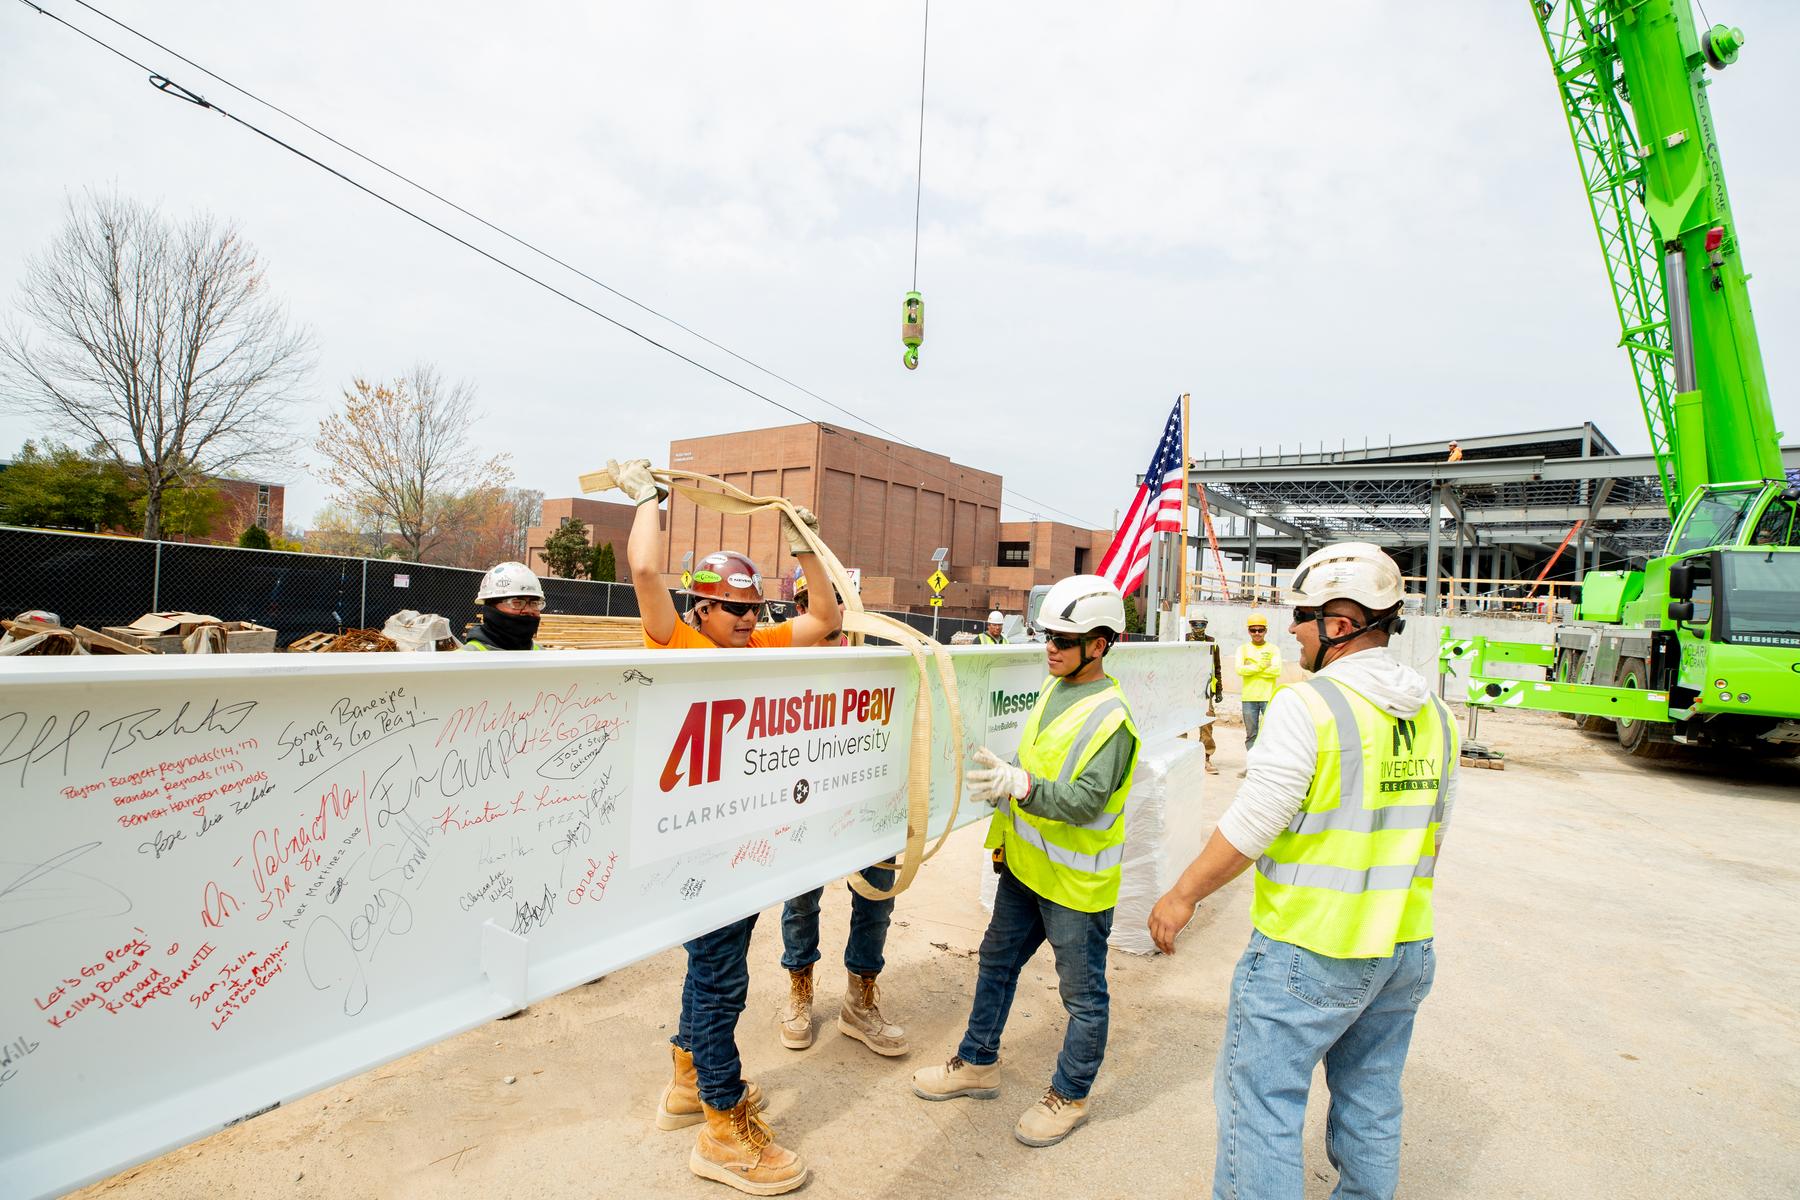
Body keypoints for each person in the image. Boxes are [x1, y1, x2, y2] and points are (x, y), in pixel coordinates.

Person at [1148, 542, 1458, 1200]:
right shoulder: (1435, 714)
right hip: (1404, 948)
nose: (1290, 628)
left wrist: (1181, 895)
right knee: (1372, 1102)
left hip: (1311, 948)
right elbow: (1435, 826)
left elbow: (1254, 825)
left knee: (1262, 1107)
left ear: (1341, 625)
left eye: (1304, 617)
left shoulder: (1309, 705)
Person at [611, 457, 839, 1196]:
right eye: (732, 610)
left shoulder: (755, 645)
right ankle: (719, 1122)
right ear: (699, 611)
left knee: (712, 970)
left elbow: (829, 620)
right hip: (695, 845)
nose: (749, 621)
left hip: (740, 839)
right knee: (720, 982)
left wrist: (804, 541)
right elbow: (645, 571)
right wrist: (649, 497)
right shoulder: (676, 645)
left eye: (753, 610)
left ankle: (686, 1083)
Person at [911, 574, 1141, 1149]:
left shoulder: (1113, 720)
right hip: (1025, 868)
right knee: (996, 960)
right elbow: (1030, 761)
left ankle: (1071, 1093)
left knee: (1082, 996)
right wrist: (1001, 829)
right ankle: (977, 1061)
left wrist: (1023, 786)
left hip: (1074, 886)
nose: (1051, 648)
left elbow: (1087, 801)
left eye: (1064, 640)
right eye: (1047, 637)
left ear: (1101, 643)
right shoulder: (1052, 686)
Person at [777, 580, 907, 1062]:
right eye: (810, 604)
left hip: (868, 803)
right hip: (805, 805)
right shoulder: (778, 661)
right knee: (801, 901)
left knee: (875, 900)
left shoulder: (875, 666)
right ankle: (800, 989)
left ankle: (860, 998)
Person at [462, 562, 546, 650]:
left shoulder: (541, 654)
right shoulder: (465, 658)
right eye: (517, 603)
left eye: (535, 604)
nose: (529, 610)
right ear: (491, 608)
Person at [1235, 611, 1281, 751]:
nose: (1257, 633)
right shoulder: (1242, 649)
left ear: (1265, 630)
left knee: (1270, 734)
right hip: (1249, 698)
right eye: (1253, 630)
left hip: (1268, 697)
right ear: (1248, 631)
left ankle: (1268, 766)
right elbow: (1240, 670)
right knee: (1251, 735)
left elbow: (1276, 671)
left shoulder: (1273, 649)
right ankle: (1252, 766)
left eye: (1260, 630)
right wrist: (1262, 665)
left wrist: (1252, 666)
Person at [1186, 617, 1223, 774]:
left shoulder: (1211, 644)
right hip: (1184, 688)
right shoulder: (1183, 639)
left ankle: (1205, 757)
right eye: (1195, 624)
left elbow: (1217, 667)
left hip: (1205, 689)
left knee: (1207, 721)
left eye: (1202, 624)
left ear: (1206, 625)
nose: (1198, 627)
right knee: (1180, 722)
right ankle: (1181, 758)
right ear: (1190, 624)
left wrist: (1219, 690)